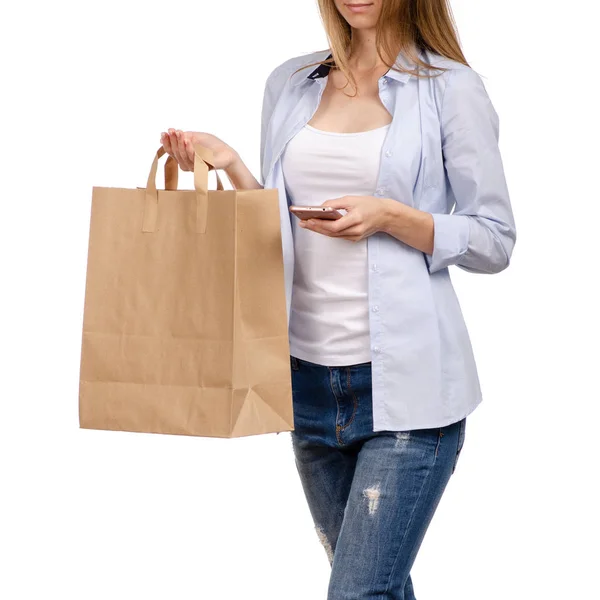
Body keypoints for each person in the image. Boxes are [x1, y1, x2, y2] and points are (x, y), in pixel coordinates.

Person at [160, 0, 516, 597]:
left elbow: (495, 240)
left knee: (356, 593)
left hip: (406, 392)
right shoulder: (292, 83)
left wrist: (393, 218)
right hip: (306, 383)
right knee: (378, 587)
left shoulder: (451, 89)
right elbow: (278, 226)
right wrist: (231, 165)